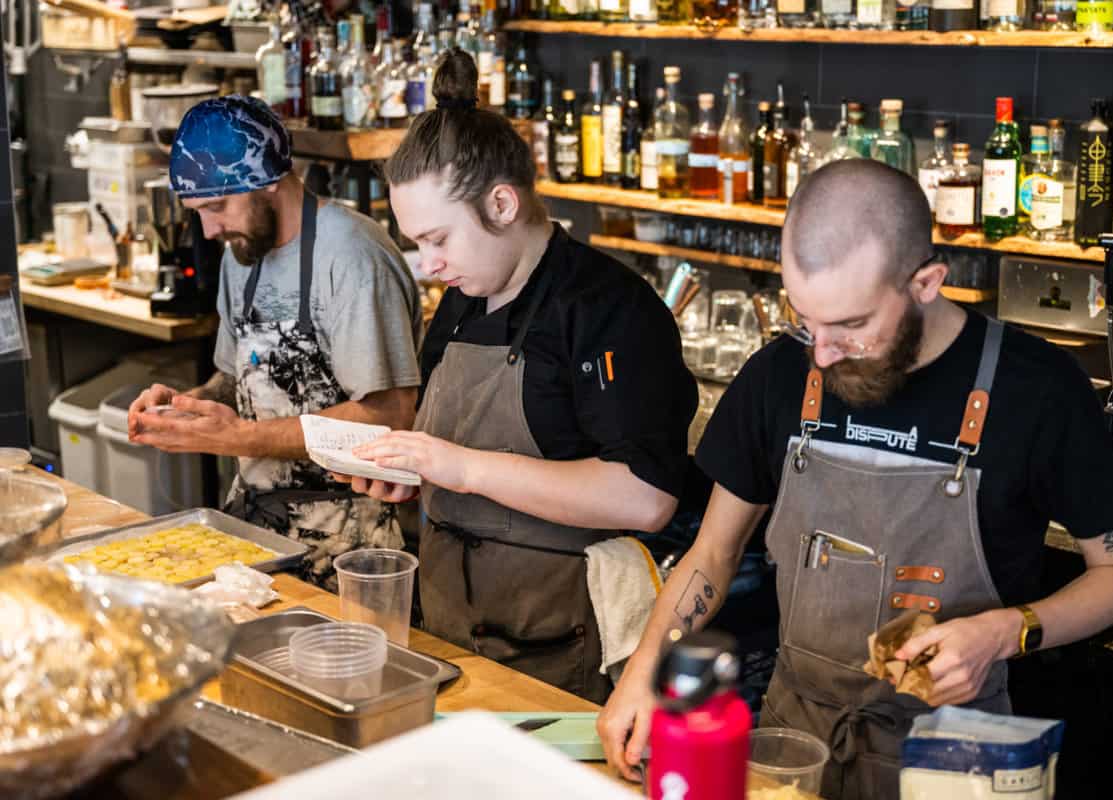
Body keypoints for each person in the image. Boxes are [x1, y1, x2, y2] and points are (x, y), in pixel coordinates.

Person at [596, 160, 1113, 799]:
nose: (823, 352)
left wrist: (1007, 630)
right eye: (806, 320)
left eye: (852, 327)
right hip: (796, 741)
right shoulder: (780, 375)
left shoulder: (1038, 391)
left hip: (955, 760)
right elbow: (711, 557)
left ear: (926, 282)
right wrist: (643, 670)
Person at [337, 49, 698, 704]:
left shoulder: (607, 309)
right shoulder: (462, 300)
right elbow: (450, 458)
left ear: (502, 203)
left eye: (438, 240)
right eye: (418, 244)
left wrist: (460, 468)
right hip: (448, 636)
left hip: (560, 649)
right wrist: (409, 476)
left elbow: (644, 496)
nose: (429, 265)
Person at [128, 95, 423, 591]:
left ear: (266, 181)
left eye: (217, 206)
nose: (210, 228)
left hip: (349, 550)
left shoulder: (352, 257)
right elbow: (238, 379)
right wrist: (187, 409)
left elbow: (389, 416)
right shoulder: (240, 255)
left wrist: (239, 437)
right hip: (254, 537)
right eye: (198, 212)